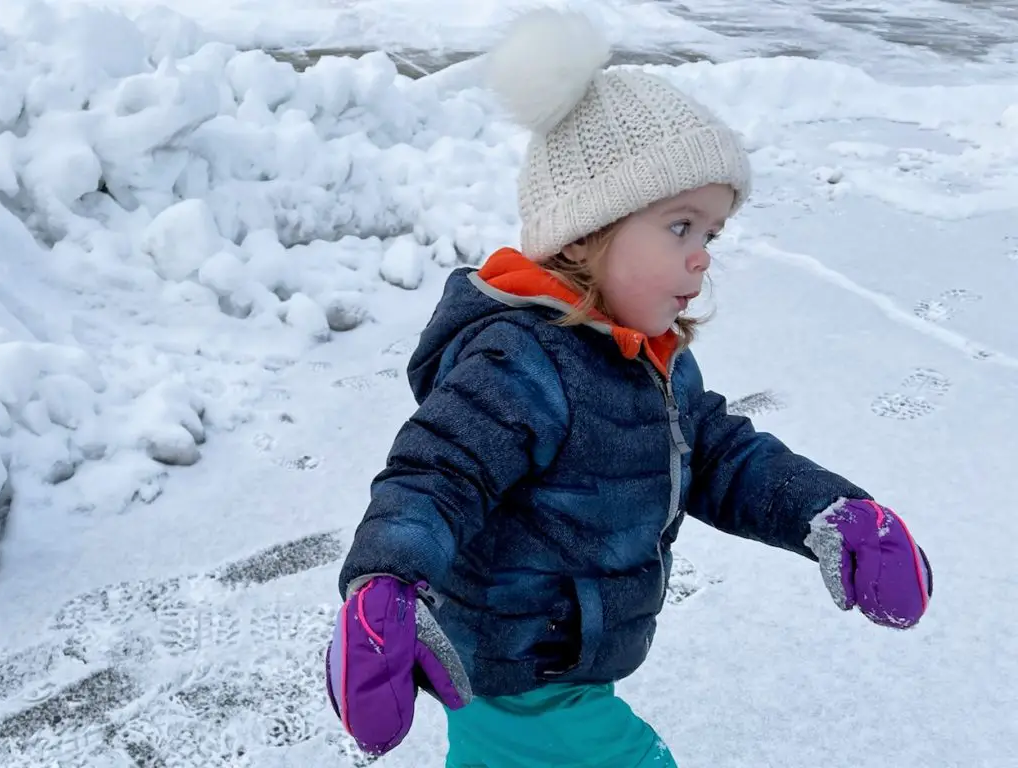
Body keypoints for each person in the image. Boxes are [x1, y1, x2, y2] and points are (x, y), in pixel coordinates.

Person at [324, 9, 933, 767]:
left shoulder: (648, 354)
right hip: (522, 673)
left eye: (711, 234)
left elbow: (717, 456)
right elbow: (436, 474)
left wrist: (827, 510)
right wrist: (387, 582)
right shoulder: (520, 358)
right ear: (585, 231)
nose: (703, 256)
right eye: (680, 226)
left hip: (567, 664)